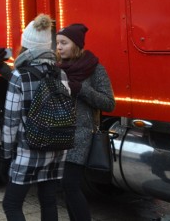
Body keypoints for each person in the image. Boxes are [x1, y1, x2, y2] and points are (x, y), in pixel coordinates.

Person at [0, 13, 67, 221]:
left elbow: (11, 122)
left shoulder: (20, 76)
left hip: (29, 151)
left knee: (11, 204)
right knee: (48, 201)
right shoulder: (60, 74)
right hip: (57, 148)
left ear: (26, 47)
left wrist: (6, 155)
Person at [56, 23, 115, 221]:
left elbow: (109, 103)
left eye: (64, 43)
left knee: (70, 185)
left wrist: (81, 89)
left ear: (76, 45)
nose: (59, 47)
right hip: (59, 133)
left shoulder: (94, 68)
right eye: (57, 43)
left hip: (80, 134)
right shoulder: (58, 69)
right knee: (66, 188)